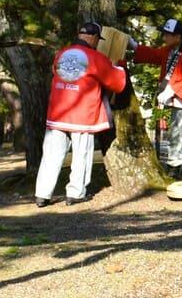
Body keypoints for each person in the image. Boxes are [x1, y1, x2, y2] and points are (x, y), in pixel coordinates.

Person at [35, 21, 128, 207]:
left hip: (58, 112)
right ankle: (75, 193)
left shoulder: (61, 54)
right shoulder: (96, 58)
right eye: (97, 40)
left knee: (51, 155)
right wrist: (121, 66)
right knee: (81, 155)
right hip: (82, 115)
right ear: (93, 38)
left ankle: (42, 194)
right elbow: (117, 82)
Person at [130, 18, 182, 178]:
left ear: (178, 37)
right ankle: (174, 166)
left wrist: (170, 90)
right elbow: (154, 54)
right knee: (175, 134)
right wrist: (134, 46)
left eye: (167, 35)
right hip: (177, 99)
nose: (164, 38)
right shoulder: (169, 50)